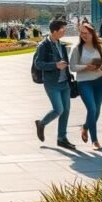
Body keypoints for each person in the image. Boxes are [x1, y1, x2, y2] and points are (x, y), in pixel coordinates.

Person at [33, 19, 77, 150]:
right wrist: (55, 65)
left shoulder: (61, 45)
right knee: (58, 109)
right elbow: (38, 64)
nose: (64, 32)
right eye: (62, 30)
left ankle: (61, 138)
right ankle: (41, 123)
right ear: (54, 31)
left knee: (66, 111)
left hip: (64, 83)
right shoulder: (43, 46)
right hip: (52, 83)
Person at [69, 22, 102, 150]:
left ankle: (85, 127)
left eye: (86, 33)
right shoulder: (77, 49)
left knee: (96, 111)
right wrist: (86, 67)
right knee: (91, 109)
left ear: (92, 33)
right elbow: (72, 67)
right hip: (84, 82)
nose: (83, 35)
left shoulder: (99, 48)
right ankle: (95, 141)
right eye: (81, 33)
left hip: (99, 82)